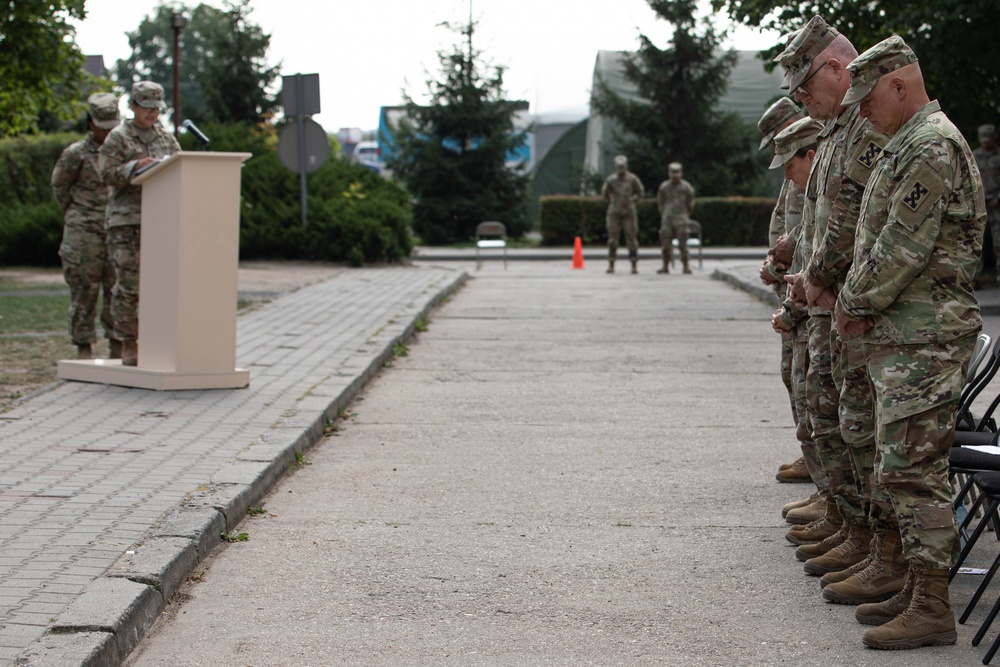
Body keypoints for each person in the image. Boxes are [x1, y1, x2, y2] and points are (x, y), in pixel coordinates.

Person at [835, 35, 985, 650]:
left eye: (868, 98)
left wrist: (851, 303)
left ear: (900, 85)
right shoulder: (907, 144)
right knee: (897, 466)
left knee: (913, 470)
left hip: (926, 335)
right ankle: (914, 584)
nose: (863, 112)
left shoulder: (930, 146)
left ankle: (932, 606)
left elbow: (901, 246)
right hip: (906, 333)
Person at [774, 18, 889, 582]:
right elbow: (826, 222)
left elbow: (851, 224)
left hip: (860, 311)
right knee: (840, 423)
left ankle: (882, 554)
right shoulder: (842, 128)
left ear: (836, 69)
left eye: (803, 88)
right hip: (831, 305)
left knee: (864, 434)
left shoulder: (866, 128)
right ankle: (857, 533)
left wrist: (816, 278)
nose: (801, 100)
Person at [98, 81, 181, 366]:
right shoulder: (117, 138)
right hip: (126, 221)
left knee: (159, 284)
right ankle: (127, 341)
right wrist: (135, 167)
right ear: (133, 106)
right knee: (129, 284)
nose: (151, 114)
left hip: (160, 219)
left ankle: (156, 340)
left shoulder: (167, 138)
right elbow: (105, 172)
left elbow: (180, 166)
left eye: (156, 109)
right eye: (146, 108)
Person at [755, 98, 815, 488]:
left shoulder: (810, 161)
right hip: (794, 291)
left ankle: (819, 465)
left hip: (808, 296)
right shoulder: (799, 165)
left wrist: (777, 268)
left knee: (810, 382)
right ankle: (815, 460)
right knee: (795, 376)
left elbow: (809, 235)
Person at [50, 93, 122, 360]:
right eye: (103, 127)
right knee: (84, 290)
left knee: (118, 291)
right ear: (90, 123)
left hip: (116, 229)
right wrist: (78, 213)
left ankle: (119, 345)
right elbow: (60, 187)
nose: (107, 132)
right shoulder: (75, 154)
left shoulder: (123, 152)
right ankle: (84, 349)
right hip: (84, 231)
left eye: (112, 126)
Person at [601, 155, 644, 274]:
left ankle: (634, 264)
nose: (621, 170)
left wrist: (632, 200)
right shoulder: (611, 180)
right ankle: (611, 264)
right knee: (613, 240)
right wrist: (613, 202)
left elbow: (640, 193)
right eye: (619, 167)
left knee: (631, 238)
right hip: (614, 213)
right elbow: (604, 193)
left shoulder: (632, 179)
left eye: (623, 167)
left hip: (628, 212)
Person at [655, 163, 695, 274]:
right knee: (665, 244)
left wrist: (684, 214)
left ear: (681, 173)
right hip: (667, 219)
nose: (675, 176)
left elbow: (690, 203)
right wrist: (664, 214)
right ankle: (665, 266)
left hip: (681, 218)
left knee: (683, 244)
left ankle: (686, 266)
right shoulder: (664, 187)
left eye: (677, 173)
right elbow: (660, 203)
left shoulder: (686, 187)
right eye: (673, 173)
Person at [974, 124, 1000, 280]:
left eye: (988, 141)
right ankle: (976, 275)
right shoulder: (975, 156)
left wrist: (998, 198)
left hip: (997, 204)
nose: (986, 144)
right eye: (984, 141)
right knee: (977, 239)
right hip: (980, 203)